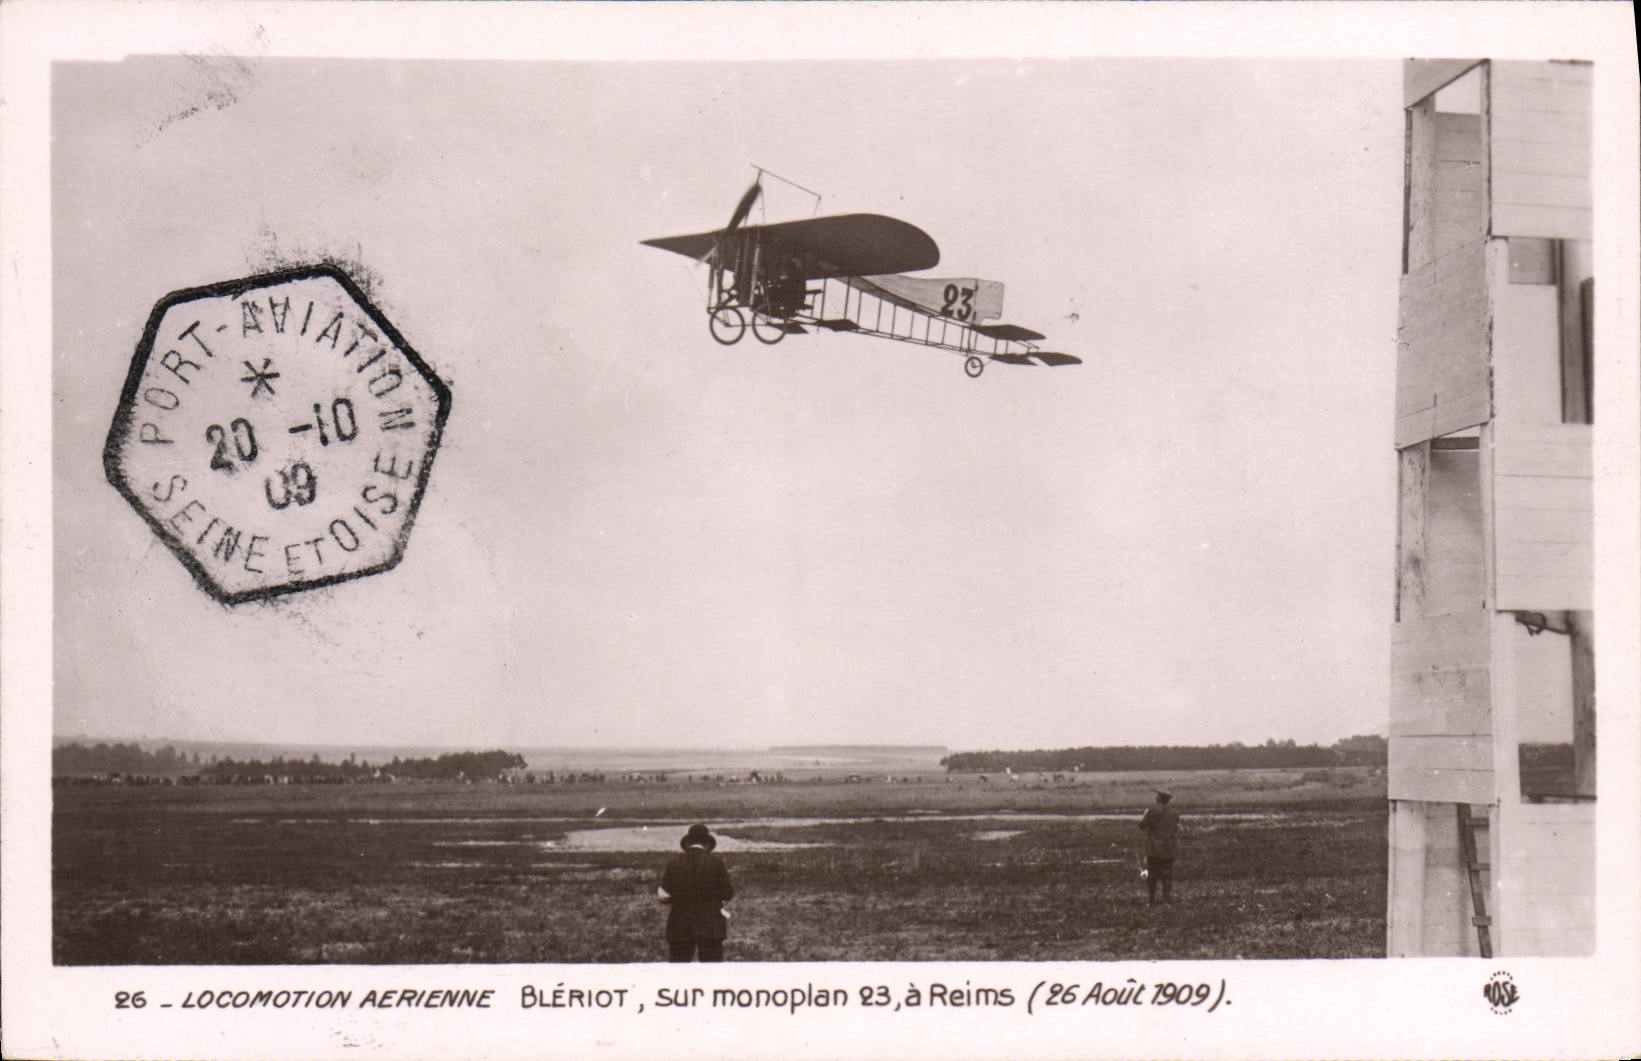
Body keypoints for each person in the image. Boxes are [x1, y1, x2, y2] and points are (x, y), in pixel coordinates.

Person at [658, 824, 734, 962]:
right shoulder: (716, 863)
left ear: (687, 844)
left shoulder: (673, 863)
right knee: (712, 973)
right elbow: (727, 893)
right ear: (707, 844)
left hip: (680, 925)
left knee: (678, 972)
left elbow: (663, 895)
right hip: (711, 926)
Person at [1138, 789, 1180, 905]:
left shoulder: (1152, 811)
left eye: (1157, 796)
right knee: (1167, 875)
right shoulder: (1175, 813)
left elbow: (1142, 826)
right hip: (1168, 848)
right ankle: (1166, 900)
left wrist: (1144, 815)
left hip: (1154, 848)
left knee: (1152, 875)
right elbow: (1174, 829)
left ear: (1159, 799)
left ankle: (1151, 901)